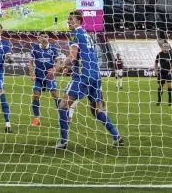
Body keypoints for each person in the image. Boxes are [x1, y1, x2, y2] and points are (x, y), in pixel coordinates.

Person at [48, 11, 123, 149]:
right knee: (96, 110)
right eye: (68, 19)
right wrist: (70, 68)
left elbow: (72, 57)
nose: (68, 21)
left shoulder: (74, 34)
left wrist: (56, 69)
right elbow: (87, 56)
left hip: (83, 76)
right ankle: (117, 136)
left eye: (71, 19)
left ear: (78, 21)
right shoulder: (87, 35)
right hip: (95, 75)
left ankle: (63, 142)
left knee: (63, 105)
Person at [28, 32, 61, 126]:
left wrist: (54, 69)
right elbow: (30, 63)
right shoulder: (35, 48)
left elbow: (58, 61)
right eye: (42, 37)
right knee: (35, 95)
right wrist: (31, 74)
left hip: (49, 76)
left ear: (48, 38)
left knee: (55, 94)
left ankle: (62, 117)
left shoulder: (53, 49)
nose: (44, 38)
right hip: (38, 77)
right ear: (38, 38)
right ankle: (36, 119)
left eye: (45, 37)